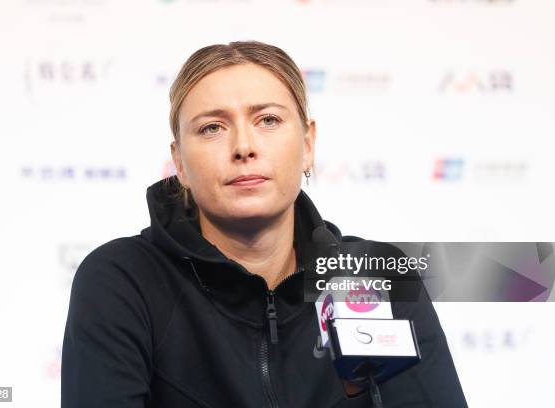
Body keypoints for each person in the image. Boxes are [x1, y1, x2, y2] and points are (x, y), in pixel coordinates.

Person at [61, 40, 468, 407]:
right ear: (180, 162)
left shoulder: (372, 272)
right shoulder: (123, 279)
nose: (243, 147)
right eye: (212, 128)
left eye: (268, 120)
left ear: (308, 145)